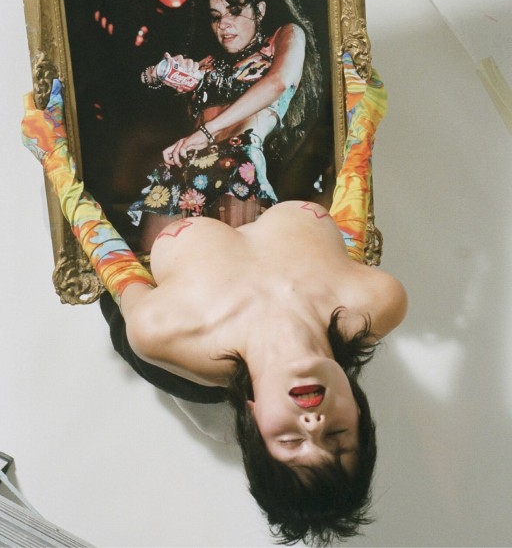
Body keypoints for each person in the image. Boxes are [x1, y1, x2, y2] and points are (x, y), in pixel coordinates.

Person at [21, 54, 407, 546]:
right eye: (336, 436)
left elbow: (109, 255)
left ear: (253, 421)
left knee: (141, 342)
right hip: (236, 171)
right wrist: (364, 115)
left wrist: (53, 155)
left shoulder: (167, 330)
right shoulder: (376, 301)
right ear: (359, 413)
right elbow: (344, 229)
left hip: (177, 327)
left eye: (291, 439)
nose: (313, 422)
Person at [128, 0, 322, 245]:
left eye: (234, 11)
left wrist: (206, 132)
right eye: (216, 17)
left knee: (234, 266)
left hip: (236, 166)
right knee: (157, 263)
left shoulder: (284, 37)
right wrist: (157, 73)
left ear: (260, 10)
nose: (223, 25)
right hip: (181, 171)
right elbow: (141, 84)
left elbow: (278, 82)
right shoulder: (208, 63)